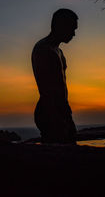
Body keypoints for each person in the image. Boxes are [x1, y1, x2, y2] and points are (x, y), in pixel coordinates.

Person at [31, 8, 78, 144]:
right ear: (61, 25)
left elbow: (61, 86)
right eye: (72, 28)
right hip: (50, 110)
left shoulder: (59, 51)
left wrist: (66, 114)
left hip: (60, 109)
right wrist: (61, 116)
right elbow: (50, 89)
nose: (74, 34)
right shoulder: (43, 49)